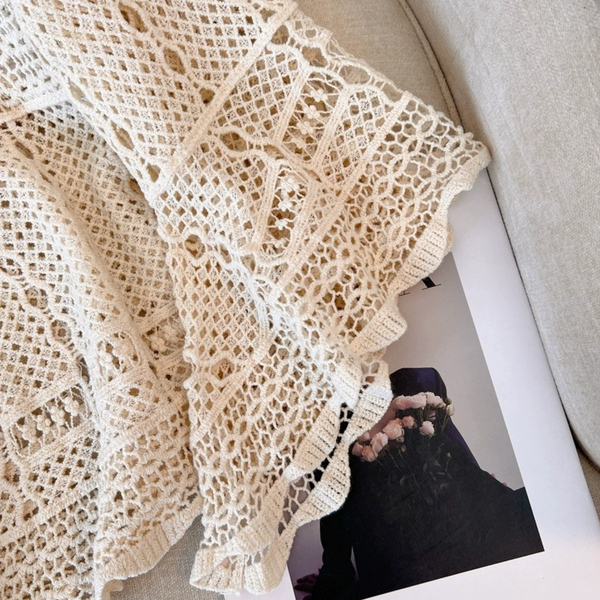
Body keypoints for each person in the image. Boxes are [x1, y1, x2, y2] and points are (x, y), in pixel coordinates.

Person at [295, 367, 543, 600]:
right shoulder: (325, 442)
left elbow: (455, 452)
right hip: (419, 562)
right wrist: (332, 577)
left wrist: (484, 484)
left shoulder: (416, 382)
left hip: (468, 531)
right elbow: (336, 528)